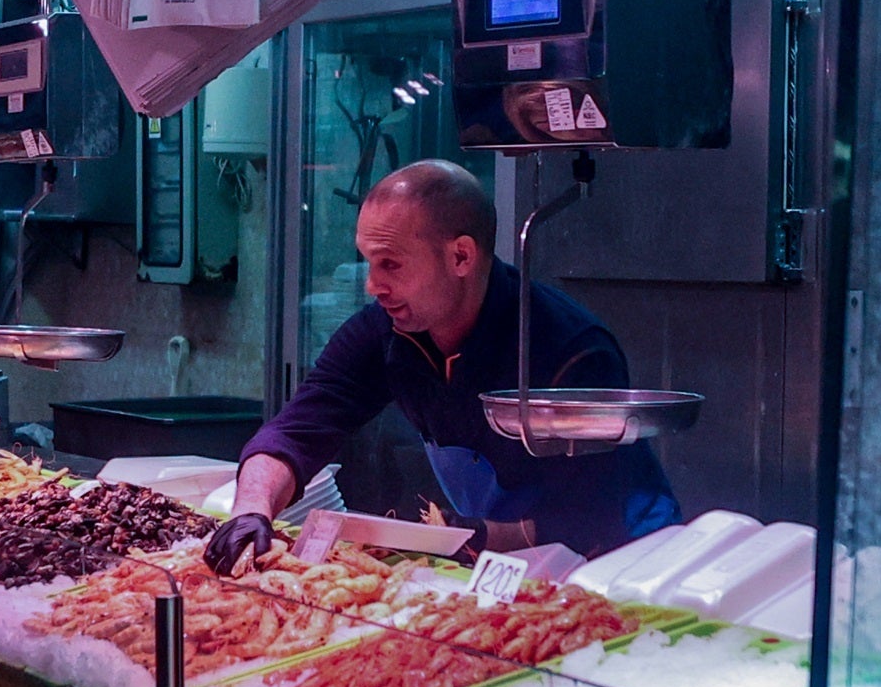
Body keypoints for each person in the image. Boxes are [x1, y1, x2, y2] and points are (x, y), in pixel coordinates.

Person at [207, 159, 679, 575]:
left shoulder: (571, 349)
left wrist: (468, 537)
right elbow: (297, 430)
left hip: (623, 562)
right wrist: (250, 511)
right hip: (503, 561)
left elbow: (588, 516)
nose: (372, 285)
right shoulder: (385, 332)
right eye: (368, 263)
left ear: (461, 256)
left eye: (390, 264)